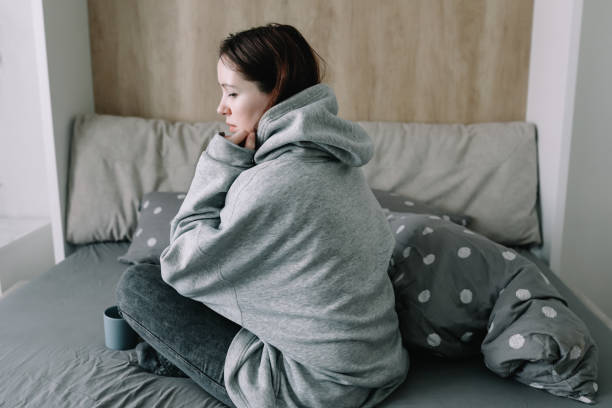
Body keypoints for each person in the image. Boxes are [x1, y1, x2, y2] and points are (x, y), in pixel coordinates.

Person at [116, 23, 409, 408]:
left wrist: (218, 161)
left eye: (232, 93)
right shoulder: (339, 160)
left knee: (140, 284)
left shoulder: (272, 183)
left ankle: (179, 359)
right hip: (380, 365)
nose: (221, 108)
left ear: (275, 92)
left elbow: (180, 266)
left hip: (313, 389)